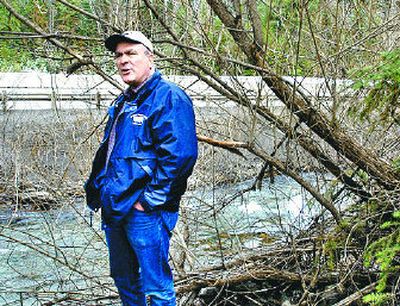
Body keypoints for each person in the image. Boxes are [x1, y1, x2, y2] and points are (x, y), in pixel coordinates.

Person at [84, 31, 198, 306]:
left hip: (144, 211)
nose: (123, 60)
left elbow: (180, 157)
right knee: (125, 282)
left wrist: (148, 201)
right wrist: (98, 191)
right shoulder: (123, 102)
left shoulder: (168, 97)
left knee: (156, 287)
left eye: (131, 53)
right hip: (116, 207)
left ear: (150, 58)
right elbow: (112, 155)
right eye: (119, 55)